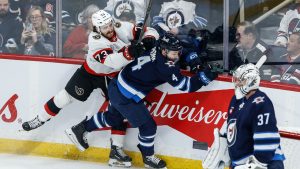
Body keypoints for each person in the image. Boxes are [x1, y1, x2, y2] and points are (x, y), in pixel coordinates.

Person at [22, 10, 159, 167]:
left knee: (118, 111)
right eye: (104, 27)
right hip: (90, 73)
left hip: (113, 78)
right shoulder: (95, 40)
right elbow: (112, 61)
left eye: (109, 24)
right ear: (97, 28)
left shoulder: (119, 26)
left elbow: (150, 31)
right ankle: (39, 119)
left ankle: (116, 151)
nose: (109, 29)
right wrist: (130, 52)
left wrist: (148, 40)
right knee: (65, 97)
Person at [67, 32, 220, 169]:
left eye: (177, 53)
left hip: (116, 86)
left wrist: (195, 61)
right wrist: (204, 77)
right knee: (148, 126)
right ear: (164, 51)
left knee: (113, 117)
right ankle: (148, 158)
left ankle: (80, 129)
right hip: (126, 97)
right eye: (174, 54)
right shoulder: (165, 66)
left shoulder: (156, 45)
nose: (177, 56)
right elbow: (187, 86)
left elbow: (184, 51)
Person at [203, 63, 285, 169]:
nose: (236, 83)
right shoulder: (236, 100)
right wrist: (222, 152)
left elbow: (266, 137)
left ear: (251, 81)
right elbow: (230, 130)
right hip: (241, 165)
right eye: (235, 79)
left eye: (240, 80)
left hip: (266, 164)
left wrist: (259, 164)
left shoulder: (260, 102)